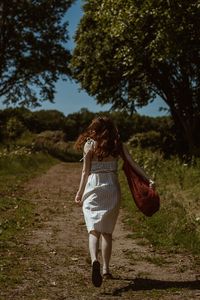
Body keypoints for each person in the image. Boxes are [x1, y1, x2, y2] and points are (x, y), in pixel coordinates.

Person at [74, 116, 152, 287]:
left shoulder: (89, 145)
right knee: (107, 233)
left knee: (93, 230)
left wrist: (79, 193)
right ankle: (106, 269)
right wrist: (148, 180)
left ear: (96, 129)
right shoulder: (117, 145)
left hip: (93, 188)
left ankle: (95, 260)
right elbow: (133, 164)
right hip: (111, 188)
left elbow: (84, 172)